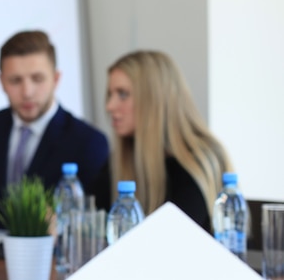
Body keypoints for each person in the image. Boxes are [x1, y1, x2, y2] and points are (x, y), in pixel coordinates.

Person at [0, 30, 109, 228]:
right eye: (15, 80)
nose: (27, 92)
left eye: (38, 79)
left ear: (56, 79)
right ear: (2, 82)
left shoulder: (88, 142)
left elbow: (90, 223)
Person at [95, 50, 233, 231]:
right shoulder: (122, 159)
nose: (110, 106)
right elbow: (89, 220)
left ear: (155, 98)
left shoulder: (198, 161)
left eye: (122, 94)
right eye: (110, 94)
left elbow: (173, 241)